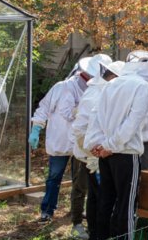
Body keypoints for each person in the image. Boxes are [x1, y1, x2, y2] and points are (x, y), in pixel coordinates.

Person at [85, 59, 148, 240]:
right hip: (125, 153)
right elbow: (134, 121)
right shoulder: (143, 86)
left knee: (105, 203)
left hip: (105, 153)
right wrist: (110, 146)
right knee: (127, 206)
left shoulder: (112, 84)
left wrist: (99, 145)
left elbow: (96, 117)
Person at [29, 53, 110, 229]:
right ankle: (47, 210)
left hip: (80, 144)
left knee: (81, 181)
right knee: (54, 176)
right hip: (60, 141)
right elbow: (44, 108)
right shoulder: (62, 87)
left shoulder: (97, 90)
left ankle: (77, 210)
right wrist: (36, 128)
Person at [71, 60, 123, 240]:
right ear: (114, 78)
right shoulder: (96, 95)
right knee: (101, 197)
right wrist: (92, 155)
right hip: (92, 154)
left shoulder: (100, 91)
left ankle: (96, 238)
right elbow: (80, 130)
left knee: (95, 196)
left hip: (94, 152)